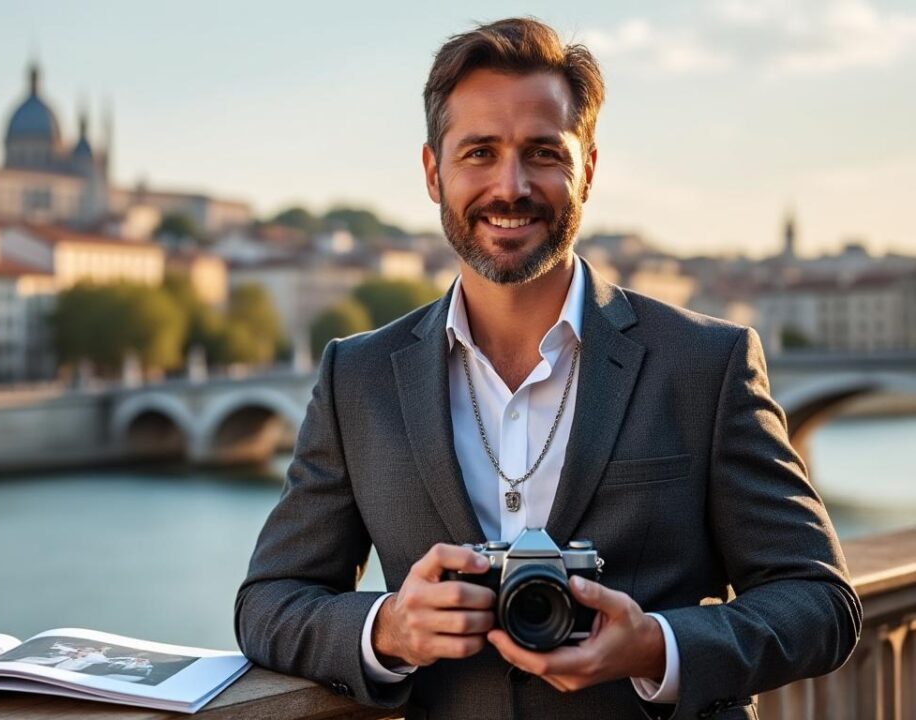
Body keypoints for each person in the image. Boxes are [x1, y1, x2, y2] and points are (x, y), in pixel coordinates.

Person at [235, 17, 861, 720]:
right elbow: (268, 602)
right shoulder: (358, 377)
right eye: (479, 152)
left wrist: (656, 646)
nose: (511, 187)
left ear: (586, 168)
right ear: (433, 172)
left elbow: (821, 604)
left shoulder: (706, 364)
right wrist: (388, 629)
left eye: (541, 153)